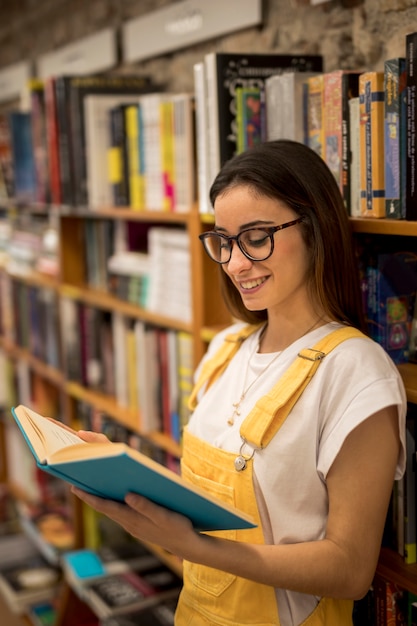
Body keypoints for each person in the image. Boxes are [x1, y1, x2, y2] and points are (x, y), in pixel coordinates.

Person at [73, 140, 406, 626]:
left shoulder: (356, 371)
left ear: (315, 229)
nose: (234, 263)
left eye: (256, 236)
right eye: (224, 241)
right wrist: (123, 477)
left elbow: (350, 569)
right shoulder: (226, 348)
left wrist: (193, 547)